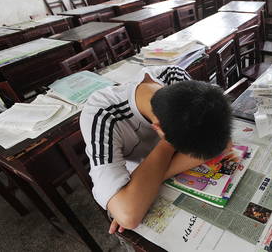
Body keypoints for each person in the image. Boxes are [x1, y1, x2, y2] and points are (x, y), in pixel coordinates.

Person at [80, 66, 232, 234]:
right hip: (133, 173)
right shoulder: (101, 116)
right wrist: (167, 145)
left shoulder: (175, 76)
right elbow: (128, 217)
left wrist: (142, 188)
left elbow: (223, 144)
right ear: (157, 128)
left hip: (140, 180)